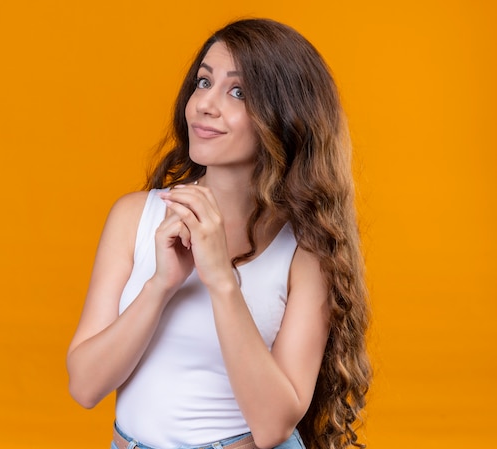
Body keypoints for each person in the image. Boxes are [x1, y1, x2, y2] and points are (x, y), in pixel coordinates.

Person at [66, 18, 371, 449]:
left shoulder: (306, 252)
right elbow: (84, 386)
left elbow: (272, 427)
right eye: (203, 81)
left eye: (238, 92)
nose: (205, 104)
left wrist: (221, 281)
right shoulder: (135, 217)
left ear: (285, 117)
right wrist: (160, 285)